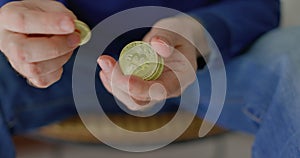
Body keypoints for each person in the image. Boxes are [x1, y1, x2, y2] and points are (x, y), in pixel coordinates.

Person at [0, 0, 290, 157]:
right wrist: (17, 18)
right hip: (67, 56)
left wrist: (200, 31)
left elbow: (263, 5)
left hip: (216, 53)